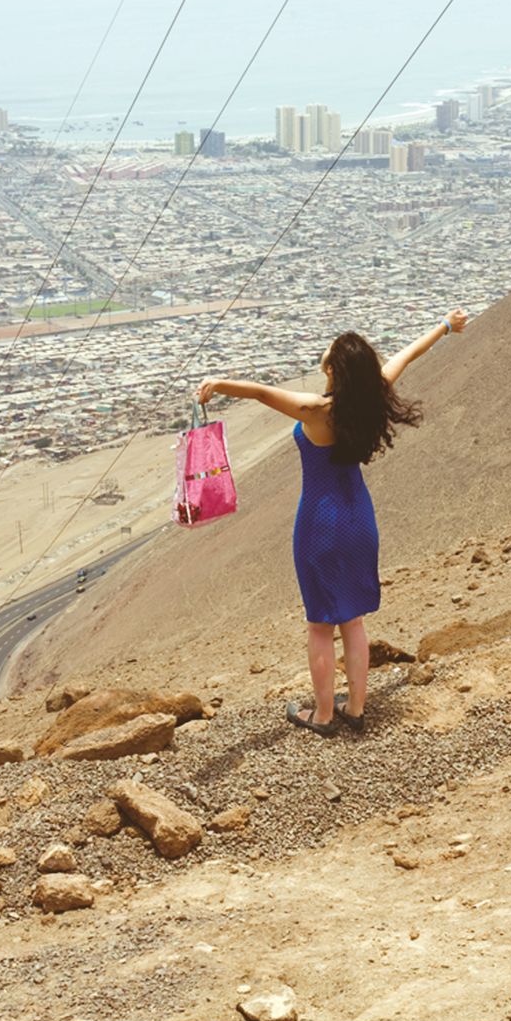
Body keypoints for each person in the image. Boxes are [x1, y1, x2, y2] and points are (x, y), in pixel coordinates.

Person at [195, 308, 467, 737]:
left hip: (320, 522)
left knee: (320, 624)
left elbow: (265, 395)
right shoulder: (374, 394)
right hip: (360, 516)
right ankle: (355, 709)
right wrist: (447, 327)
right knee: (354, 620)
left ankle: (322, 715)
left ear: (332, 367)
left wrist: (219, 384)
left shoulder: (316, 409)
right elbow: (409, 354)